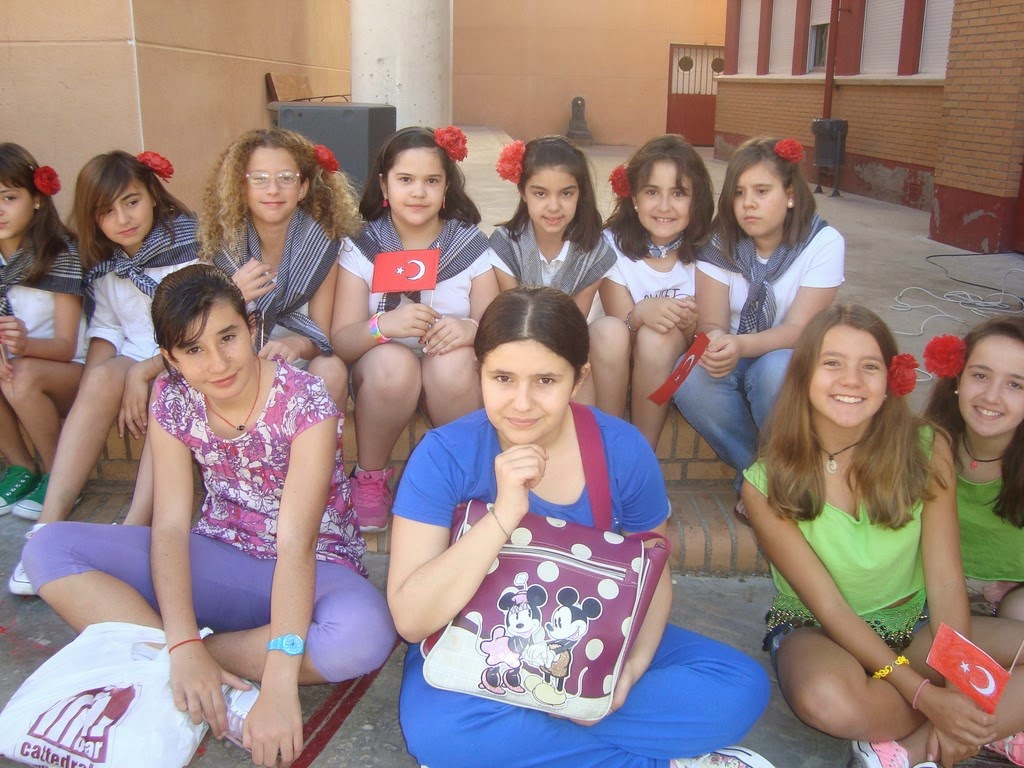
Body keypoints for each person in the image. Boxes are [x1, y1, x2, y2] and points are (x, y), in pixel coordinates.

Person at [21, 264, 396, 767]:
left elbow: (297, 544)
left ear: (252, 327)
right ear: (169, 358)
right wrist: (181, 642)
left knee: (363, 634)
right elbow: (171, 526)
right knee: (47, 548)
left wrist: (278, 686)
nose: (218, 363)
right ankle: (191, 661)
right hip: (218, 559)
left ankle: (189, 659)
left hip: (315, 572)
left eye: (228, 337)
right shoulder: (173, 399)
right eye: (193, 350)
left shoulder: (304, 399)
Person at [387, 286, 774, 768]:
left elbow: (654, 573)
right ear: (479, 371)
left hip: (591, 641)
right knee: (442, 735)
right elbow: (412, 619)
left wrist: (628, 673)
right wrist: (504, 515)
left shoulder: (622, 449)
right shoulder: (444, 456)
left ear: (579, 379)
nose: (522, 403)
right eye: (502, 378)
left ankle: (528, 737)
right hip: (476, 646)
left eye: (546, 380)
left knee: (740, 687)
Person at [744, 303, 1024, 768]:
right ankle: (986, 724)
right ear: (803, 375)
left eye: (869, 366)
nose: (851, 380)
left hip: (915, 625)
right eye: (832, 363)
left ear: (892, 379)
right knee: (827, 701)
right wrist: (927, 695)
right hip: (819, 631)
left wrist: (957, 689)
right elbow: (830, 607)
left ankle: (915, 746)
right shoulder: (764, 483)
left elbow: (945, 581)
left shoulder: (927, 446)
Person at [9, 150, 198, 596]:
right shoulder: (106, 263)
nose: (123, 219)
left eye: (131, 202)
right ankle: (49, 526)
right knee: (98, 378)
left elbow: (197, 332)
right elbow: (108, 329)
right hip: (136, 357)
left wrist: (141, 376)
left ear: (153, 194)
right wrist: (96, 389)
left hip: (185, 362)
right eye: (106, 211)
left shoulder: (190, 247)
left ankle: (134, 529)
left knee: (163, 391)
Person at [331, 126, 498, 532]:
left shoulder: (469, 245)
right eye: (405, 179)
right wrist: (383, 326)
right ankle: (369, 476)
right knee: (394, 364)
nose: (418, 192)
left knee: (454, 362)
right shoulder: (362, 245)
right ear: (384, 184)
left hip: (450, 378)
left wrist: (471, 329)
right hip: (382, 379)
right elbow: (342, 341)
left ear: (447, 188)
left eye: (431, 181)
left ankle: (465, 480)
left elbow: (497, 325)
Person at [672, 137, 844, 509]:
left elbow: (801, 330)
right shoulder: (718, 242)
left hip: (788, 352)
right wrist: (717, 343)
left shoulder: (822, 243)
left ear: (790, 194)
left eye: (762, 191)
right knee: (690, 377)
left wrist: (742, 346)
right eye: (739, 193)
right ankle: (761, 474)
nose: (748, 203)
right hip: (734, 348)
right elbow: (712, 322)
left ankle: (780, 475)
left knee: (775, 371)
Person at [200, 128, 358, 409]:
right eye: (259, 179)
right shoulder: (222, 246)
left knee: (331, 369)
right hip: (236, 359)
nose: (273, 190)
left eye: (286, 178)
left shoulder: (322, 243)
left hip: (298, 356)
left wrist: (296, 345)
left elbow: (321, 334)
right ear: (242, 187)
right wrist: (233, 296)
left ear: (303, 188)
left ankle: (317, 439)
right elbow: (205, 330)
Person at [585, 135, 714, 449]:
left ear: (696, 200)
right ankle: (610, 444)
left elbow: (711, 328)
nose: (664, 206)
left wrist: (690, 326)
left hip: (670, 360)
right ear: (634, 198)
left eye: (678, 193)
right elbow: (620, 326)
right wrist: (641, 313)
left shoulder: (709, 250)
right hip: (615, 357)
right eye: (652, 192)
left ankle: (644, 455)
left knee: (658, 337)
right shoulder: (610, 244)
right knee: (609, 328)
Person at [0, 144, 85, 519]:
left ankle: (59, 476)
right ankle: (20, 466)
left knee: (19, 374)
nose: (0, 210)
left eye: (9, 197)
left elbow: (66, 346)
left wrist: (21, 344)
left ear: (36, 198)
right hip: (15, 371)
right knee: (12, 373)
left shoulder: (58, 253)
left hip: (69, 372)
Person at [922, 318, 1024, 619]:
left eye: (1015, 384)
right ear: (957, 380)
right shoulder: (923, 444)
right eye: (980, 375)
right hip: (929, 591)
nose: (991, 396)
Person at [489, 136, 615, 317]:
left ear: (580, 193)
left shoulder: (595, 252)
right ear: (523, 192)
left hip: (568, 332)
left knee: (609, 328)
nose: (554, 206)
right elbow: (512, 315)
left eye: (566, 193)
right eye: (540, 194)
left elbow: (575, 321)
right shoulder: (504, 245)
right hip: (515, 331)